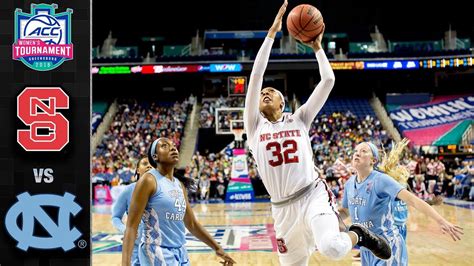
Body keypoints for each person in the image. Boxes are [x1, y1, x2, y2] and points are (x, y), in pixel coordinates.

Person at [243, 1, 391, 265]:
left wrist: (318, 48)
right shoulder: (254, 127)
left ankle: (358, 235)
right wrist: (271, 34)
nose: (264, 92)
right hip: (281, 209)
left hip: (313, 195)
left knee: (332, 248)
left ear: (282, 103)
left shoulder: (299, 119)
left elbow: (329, 80)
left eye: (271, 92)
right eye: (261, 92)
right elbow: (256, 75)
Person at [340, 141, 463, 265]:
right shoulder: (349, 184)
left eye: (363, 151)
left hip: (387, 245)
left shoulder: (380, 180)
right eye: (356, 151)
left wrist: (441, 220)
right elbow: (345, 211)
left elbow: (413, 200)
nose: (357, 154)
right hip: (366, 248)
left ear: (374, 160)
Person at [122, 138, 236, 266]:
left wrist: (217, 248)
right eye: (165, 146)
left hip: (180, 251)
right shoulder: (148, 180)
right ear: (155, 156)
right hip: (156, 250)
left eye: (173, 145)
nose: (172, 148)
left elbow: (192, 224)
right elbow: (131, 227)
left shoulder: (179, 184)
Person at [111, 157, 152, 265]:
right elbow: (115, 217)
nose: (149, 165)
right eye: (144, 163)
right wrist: (124, 229)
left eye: (152, 163)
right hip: (136, 247)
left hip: (159, 248)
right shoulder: (128, 190)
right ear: (138, 170)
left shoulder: (162, 191)